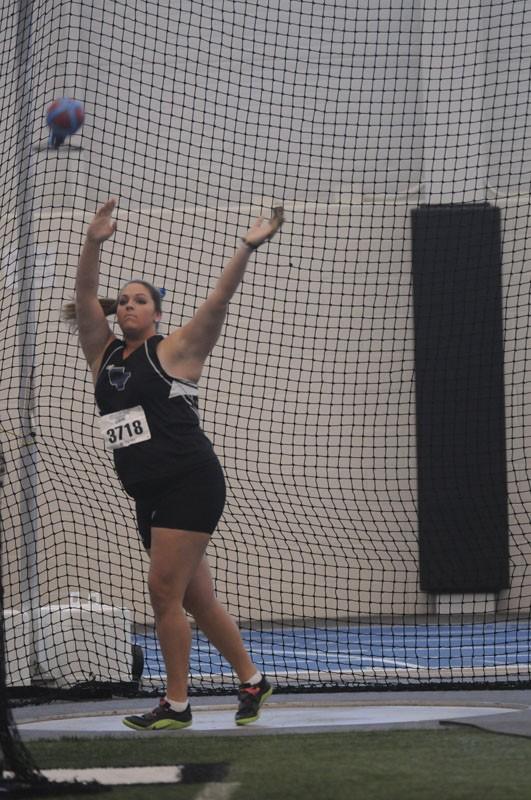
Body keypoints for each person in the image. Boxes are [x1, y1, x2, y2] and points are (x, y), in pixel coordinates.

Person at [69, 198, 284, 730]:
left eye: (139, 301)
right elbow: (81, 296)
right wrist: (93, 242)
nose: (127, 308)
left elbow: (218, 300)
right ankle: (253, 682)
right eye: (121, 302)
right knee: (197, 599)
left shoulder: (174, 353)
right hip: (147, 492)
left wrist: (247, 248)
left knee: (162, 591)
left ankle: (177, 703)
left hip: (190, 481)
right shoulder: (103, 356)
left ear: (157, 312)